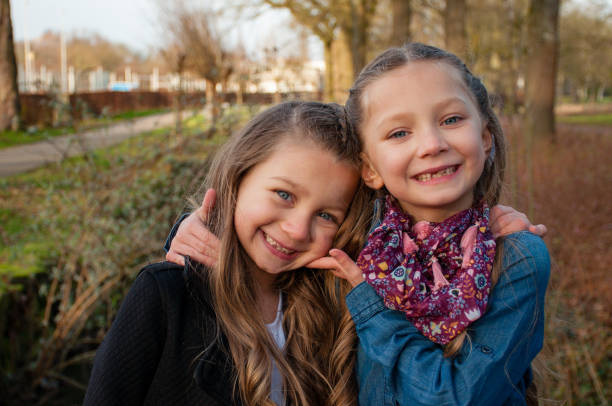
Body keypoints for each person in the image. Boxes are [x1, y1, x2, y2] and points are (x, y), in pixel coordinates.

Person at [166, 43, 550, 406]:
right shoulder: (364, 247)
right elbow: (275, 257)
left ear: (485, 137)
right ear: (369, 169)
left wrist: (373, 309)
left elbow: (454, 396)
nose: (432, 144)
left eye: (451, 119)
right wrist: (195, 232)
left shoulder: (514, 257)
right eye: (400, 132)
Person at [83, 101, 375, 406]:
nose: (298, 230)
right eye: (284, 195)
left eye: (326, 215)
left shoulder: (330, 311)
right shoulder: (166, 296)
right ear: (238, 177)